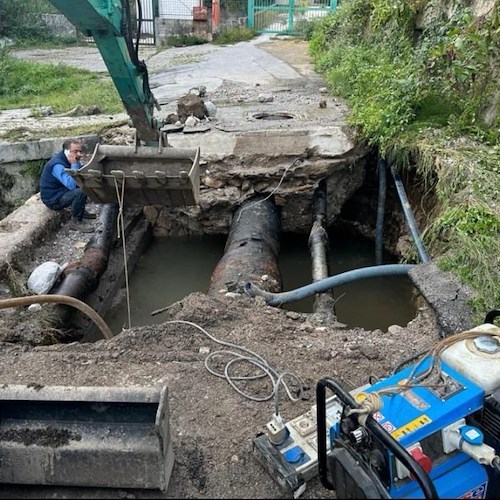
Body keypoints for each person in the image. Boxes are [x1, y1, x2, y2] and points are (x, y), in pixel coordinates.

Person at [40, 139, 96, 233]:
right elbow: (71, 185)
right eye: (75, 151)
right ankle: (76, 221)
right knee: (80, 192)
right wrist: (74, 164)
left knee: (84, 184)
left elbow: (82, 171)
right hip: (53, 198)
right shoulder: (57, 165)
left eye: (80, 151)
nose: (79, 154)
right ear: (67, 151)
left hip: (61, 191)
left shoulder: (71, 159)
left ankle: (80, 210)